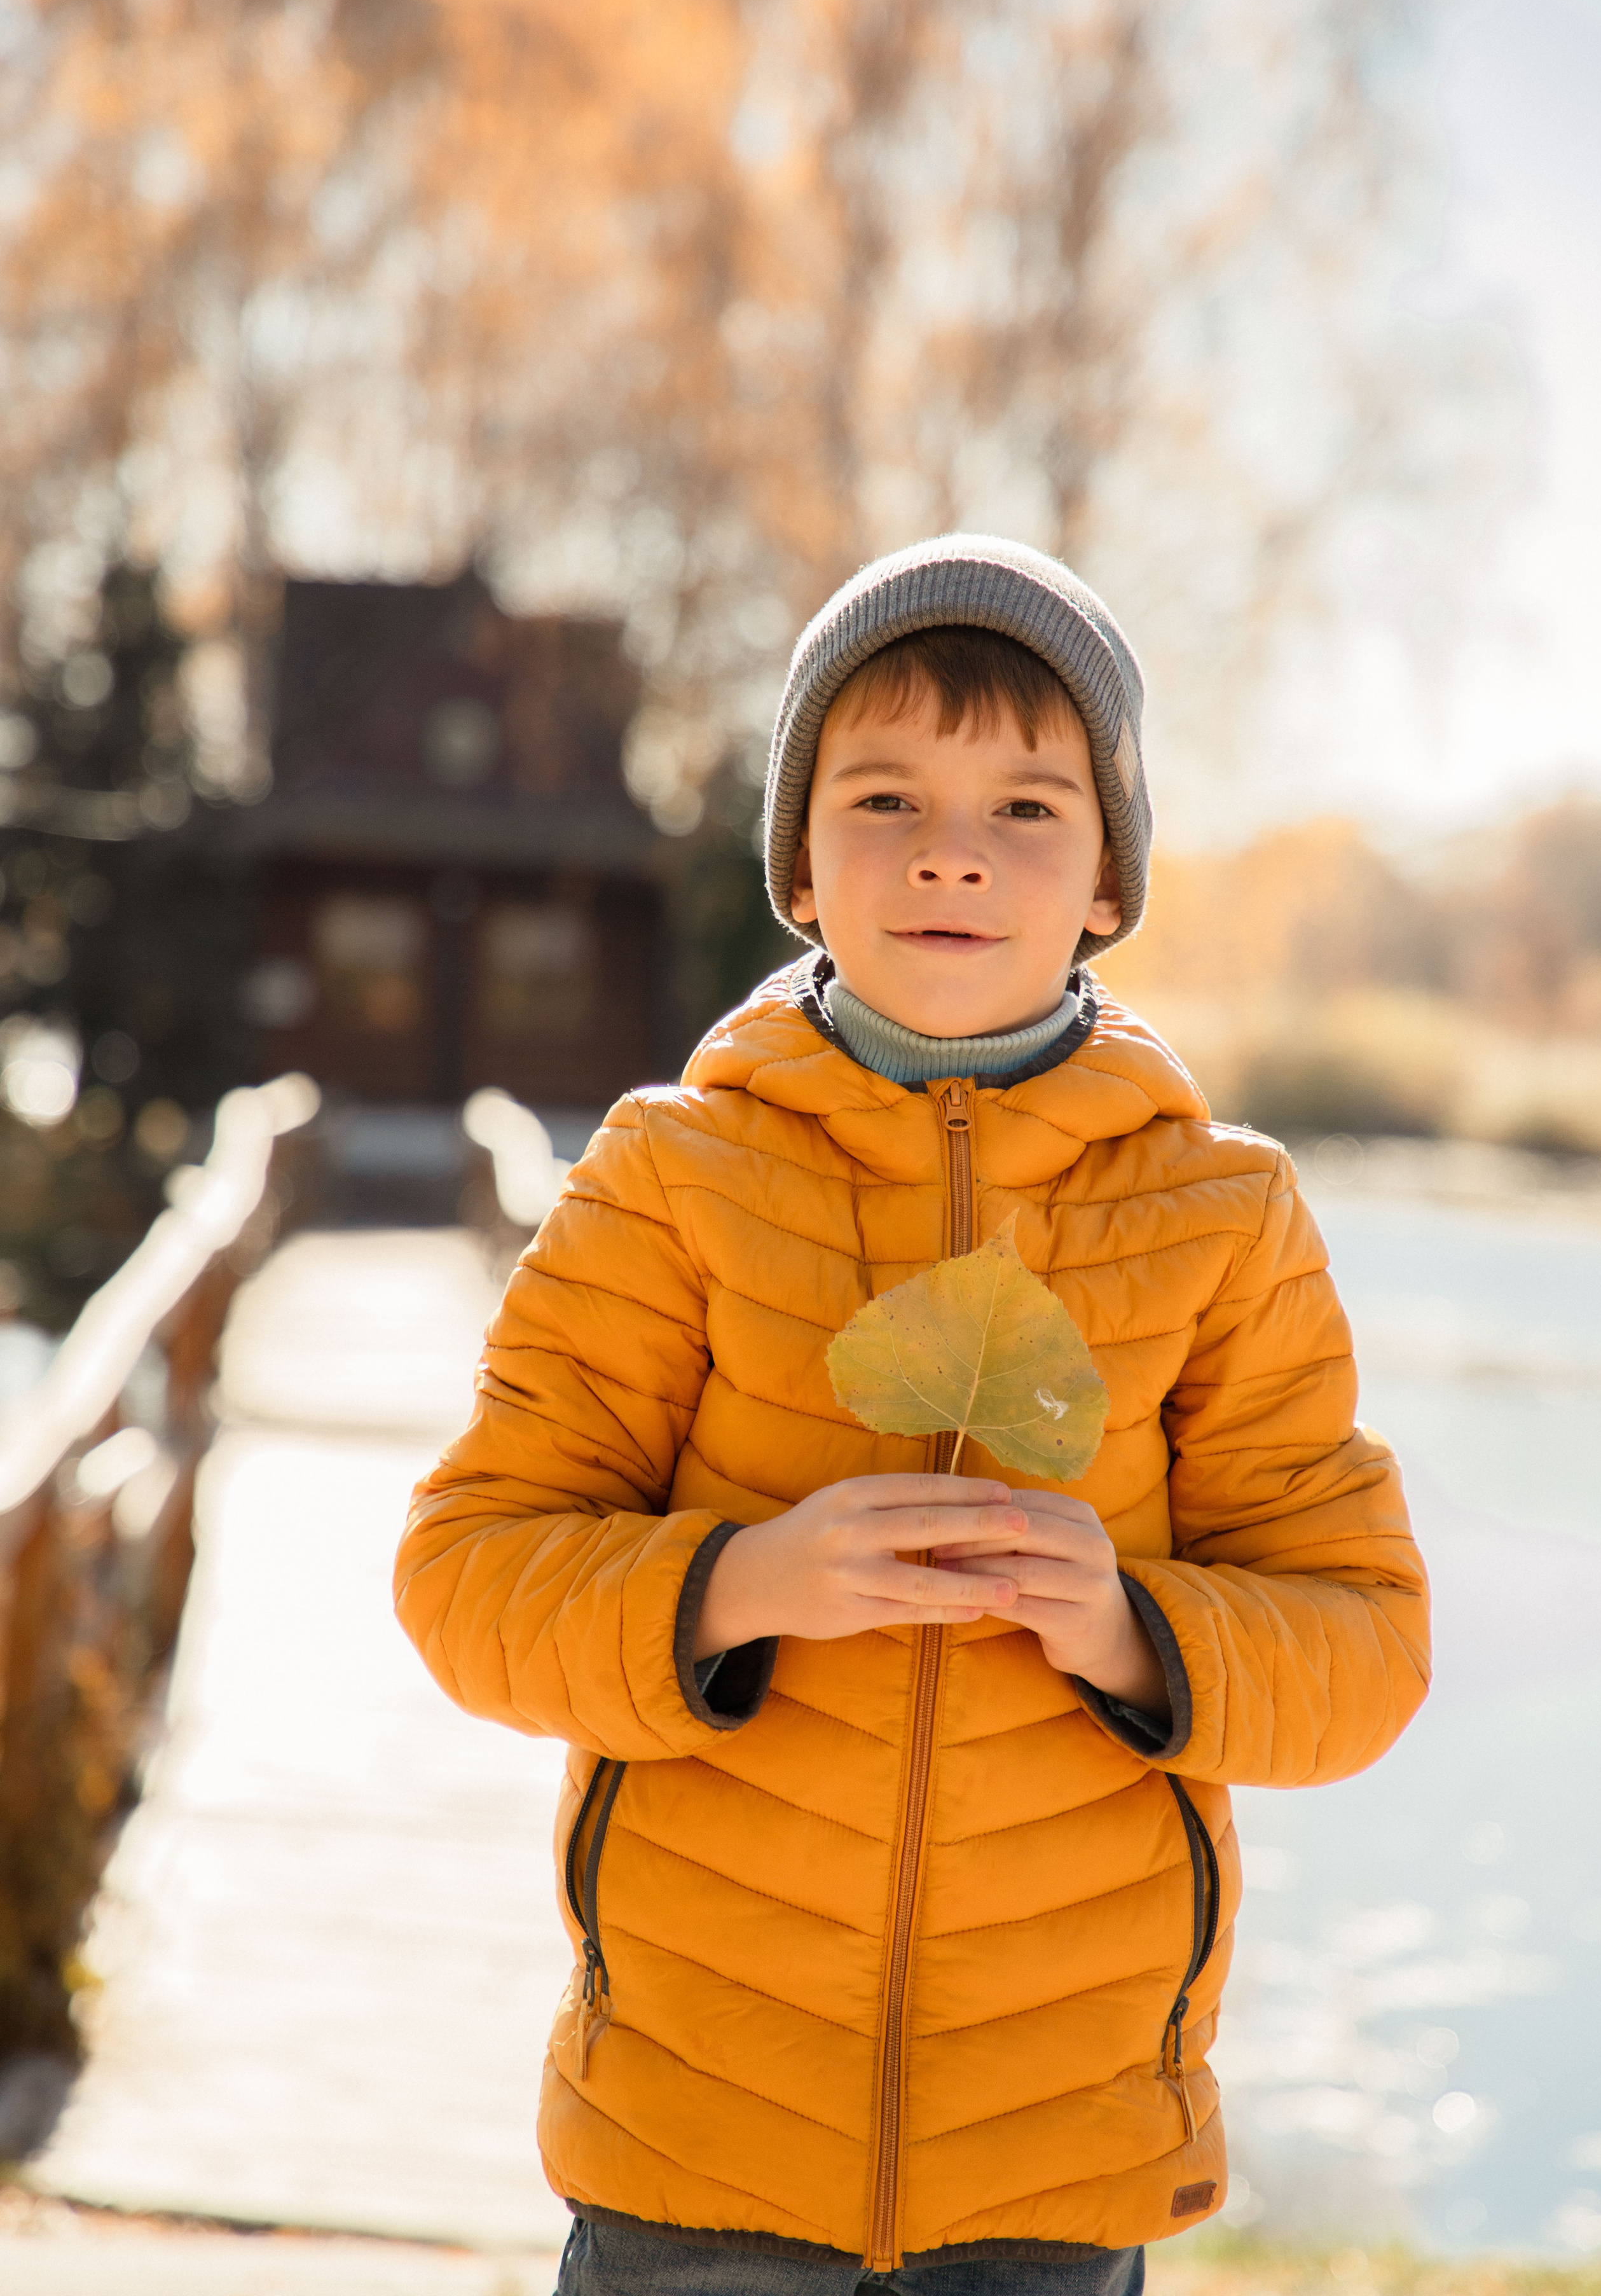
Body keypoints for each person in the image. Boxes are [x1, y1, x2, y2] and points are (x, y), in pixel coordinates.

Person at [394, 534, 1430, 2295]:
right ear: (803, 857)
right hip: (696, 2143)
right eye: (885, 794)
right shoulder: (668, 1180)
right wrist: (738, 1587)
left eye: (1029, 809)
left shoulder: (1224, 1218)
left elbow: (1365, 1649)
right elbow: (468, 1575)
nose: (952, 848)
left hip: (1057, 2155)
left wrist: (1130, 1625)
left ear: (1112, 878)